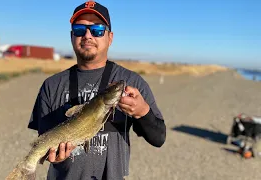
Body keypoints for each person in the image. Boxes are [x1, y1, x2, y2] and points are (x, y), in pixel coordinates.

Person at [27, 1, 166, 179]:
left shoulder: (132, 82)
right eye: (79, 30)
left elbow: (158, 138)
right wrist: (52, 156)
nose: (87, 35)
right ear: (72, 37)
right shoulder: (51, 85)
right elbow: (45, 140)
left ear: (110, 37)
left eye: (97, 30)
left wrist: (142, 111)